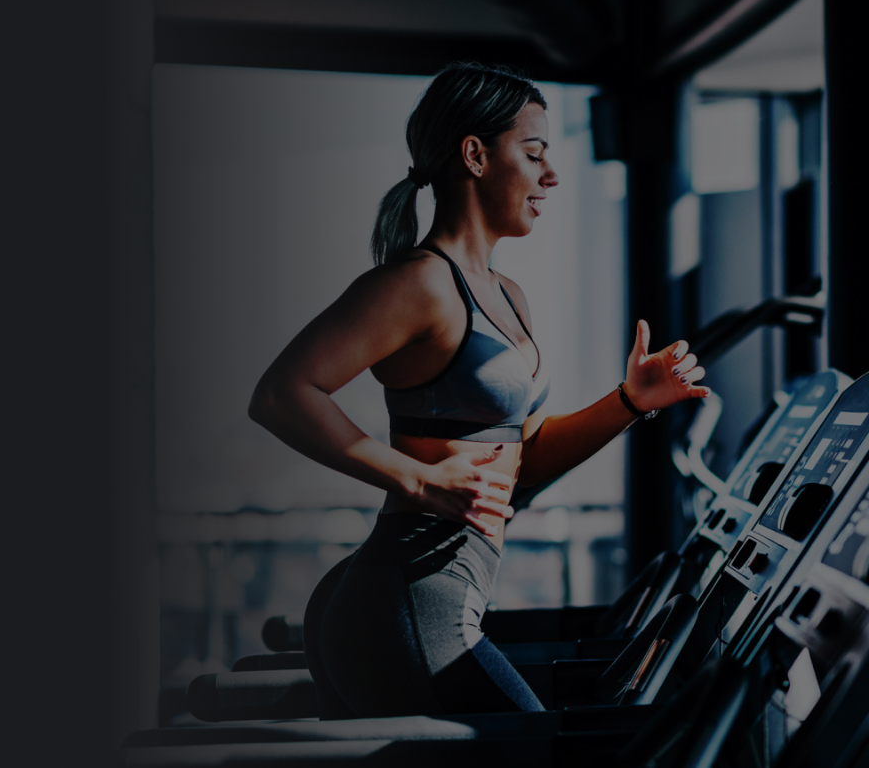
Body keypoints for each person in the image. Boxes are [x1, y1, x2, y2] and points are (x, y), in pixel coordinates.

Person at [247, 62, 710, 717]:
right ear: (475, 154)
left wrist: (629, 402)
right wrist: (413, 479)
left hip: (424, 593)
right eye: (533, 152)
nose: (550, 175)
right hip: (409, 595)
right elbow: (281, 393)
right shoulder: (419, 284)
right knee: (536, 749)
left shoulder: (507, 296)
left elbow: (519, 468)